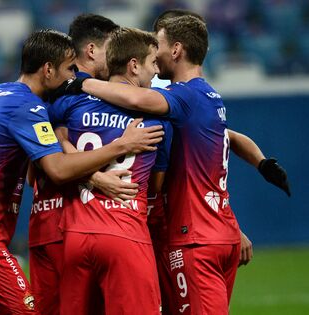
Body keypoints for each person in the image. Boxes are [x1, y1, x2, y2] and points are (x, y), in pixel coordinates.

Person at [55, 15, 291, 315]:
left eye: (160, 48)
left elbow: (136, 99)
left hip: (183, 236)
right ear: (134, 64)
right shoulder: (204, 99)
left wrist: (81, 83)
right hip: (210, 231)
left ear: (176, 50)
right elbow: (230, 138)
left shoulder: (174, 101)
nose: (156, 65)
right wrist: (261, 164)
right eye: (151, 59)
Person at [0, 29, 164, 315]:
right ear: (48, 69)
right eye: (69, 69)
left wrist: (93, 175)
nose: (72, 79)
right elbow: (56, 170)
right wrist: (121, 146)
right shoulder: (26, 107)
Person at [52, 27, 170, 315]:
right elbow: (156, 185)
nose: (156, 72)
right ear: (133, 65)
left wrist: (84, 168)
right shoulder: (158, 119)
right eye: (153, 62)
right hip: (125, 234)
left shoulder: (72, 103)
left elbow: (50, 135)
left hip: (76, 237)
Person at [28, 14, 131, 315]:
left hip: (47, 223)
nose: (117, 57)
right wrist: (97, 178)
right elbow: (56, 146)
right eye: (111, 48)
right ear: (91, 50)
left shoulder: (49, 91)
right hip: (71, 223)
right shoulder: (70, 93)